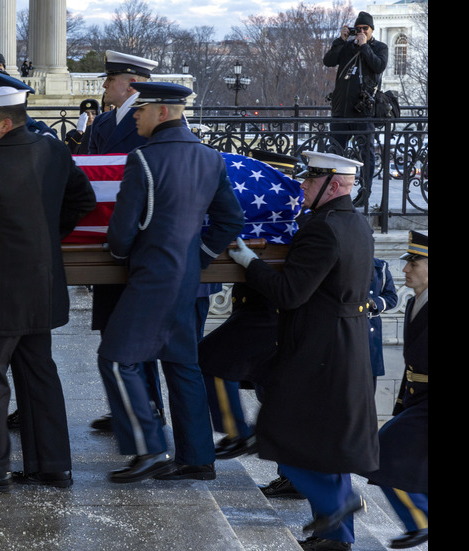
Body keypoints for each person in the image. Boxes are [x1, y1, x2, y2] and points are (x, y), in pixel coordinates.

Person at [0, 83, 95, 495]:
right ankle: (52, 466)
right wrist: (48, 234)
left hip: (1, 294)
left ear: (5, 124)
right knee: (39, 374)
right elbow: (83, 199)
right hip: (43, 286)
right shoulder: (53, 150)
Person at [229, 151, 379, 551]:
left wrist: (248, 262)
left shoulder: (323, 229)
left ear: (332, 185)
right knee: (327, 448)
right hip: (343, 347)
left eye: (310, 181)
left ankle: (341, 503)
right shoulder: (356, 224)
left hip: (317, 350)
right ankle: (335, 537)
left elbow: (289, 293)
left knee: (279, 435)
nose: (302, 187)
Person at [97, 82, 243, 484]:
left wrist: (121, 254)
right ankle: (198, 458)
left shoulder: (143, 160)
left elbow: (122, 232)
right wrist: (199, 257)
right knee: (182, 365)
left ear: (163, 112)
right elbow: (230, 219)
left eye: (142, 109)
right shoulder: (210, 158)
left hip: (153, 278)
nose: (137, 115)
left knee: (115, 357)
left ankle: (147, 449)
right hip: (185, 278)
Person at [200, 149, 304, 462]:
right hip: (258, 310)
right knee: (270, 384)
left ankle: (239, 431)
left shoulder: (288, 215)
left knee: (208, 358)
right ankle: (261, 441)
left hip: (268, 312)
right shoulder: (282, 213)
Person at [84, 51, 164, 434]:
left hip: (136, 237)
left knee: (137, 336)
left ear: (130, 82)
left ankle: (147, 408)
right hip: (107, 238)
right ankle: (124, 408)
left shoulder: (146, 123)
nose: (102, 86)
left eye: (109, 79)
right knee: (112, 329)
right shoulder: (103, 122)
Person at [364, 231, 428, 550]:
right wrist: (403, 401)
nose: (405, 269)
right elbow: (412, 364)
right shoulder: (416, 302)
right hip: (419, 400)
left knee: (384, 449)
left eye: (414, 263)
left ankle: (421, 519)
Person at [323, 11, 388, 208]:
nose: (360, 32)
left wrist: (365, 47)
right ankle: (330, 193)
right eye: (357, 29)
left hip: (363, 111)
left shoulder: (379, 47)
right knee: (334, 151)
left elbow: (378, 66)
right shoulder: (346, 47)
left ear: (371, 30)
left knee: (365, 153)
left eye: (364, 29)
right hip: (341, 111)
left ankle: (365, 191)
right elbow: (328, 61)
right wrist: (340, 41)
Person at [368, 256, 398, 387]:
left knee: (369, 381)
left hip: (370, 329)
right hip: (345, 328)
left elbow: (391, 298)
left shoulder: (380, 267)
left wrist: (375, 303)